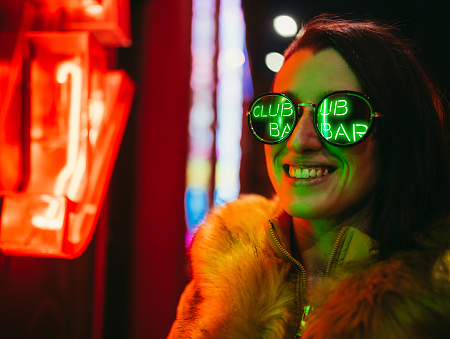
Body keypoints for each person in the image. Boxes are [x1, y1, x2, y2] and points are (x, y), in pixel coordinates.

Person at [168, 14, 450, 338]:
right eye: (280, 112)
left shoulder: (434, 303)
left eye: (341, 114)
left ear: (399, 132)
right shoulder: (218, 282)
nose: (299, 140)